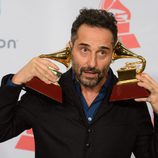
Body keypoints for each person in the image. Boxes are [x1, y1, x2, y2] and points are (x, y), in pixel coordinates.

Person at [0, 8, 157, 158]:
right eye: (84, 50)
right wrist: (15, 82)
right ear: (70, 48)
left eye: (102, 52)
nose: (92, 63)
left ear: (113, 53)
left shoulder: (132, 101)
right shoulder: (44, 93)